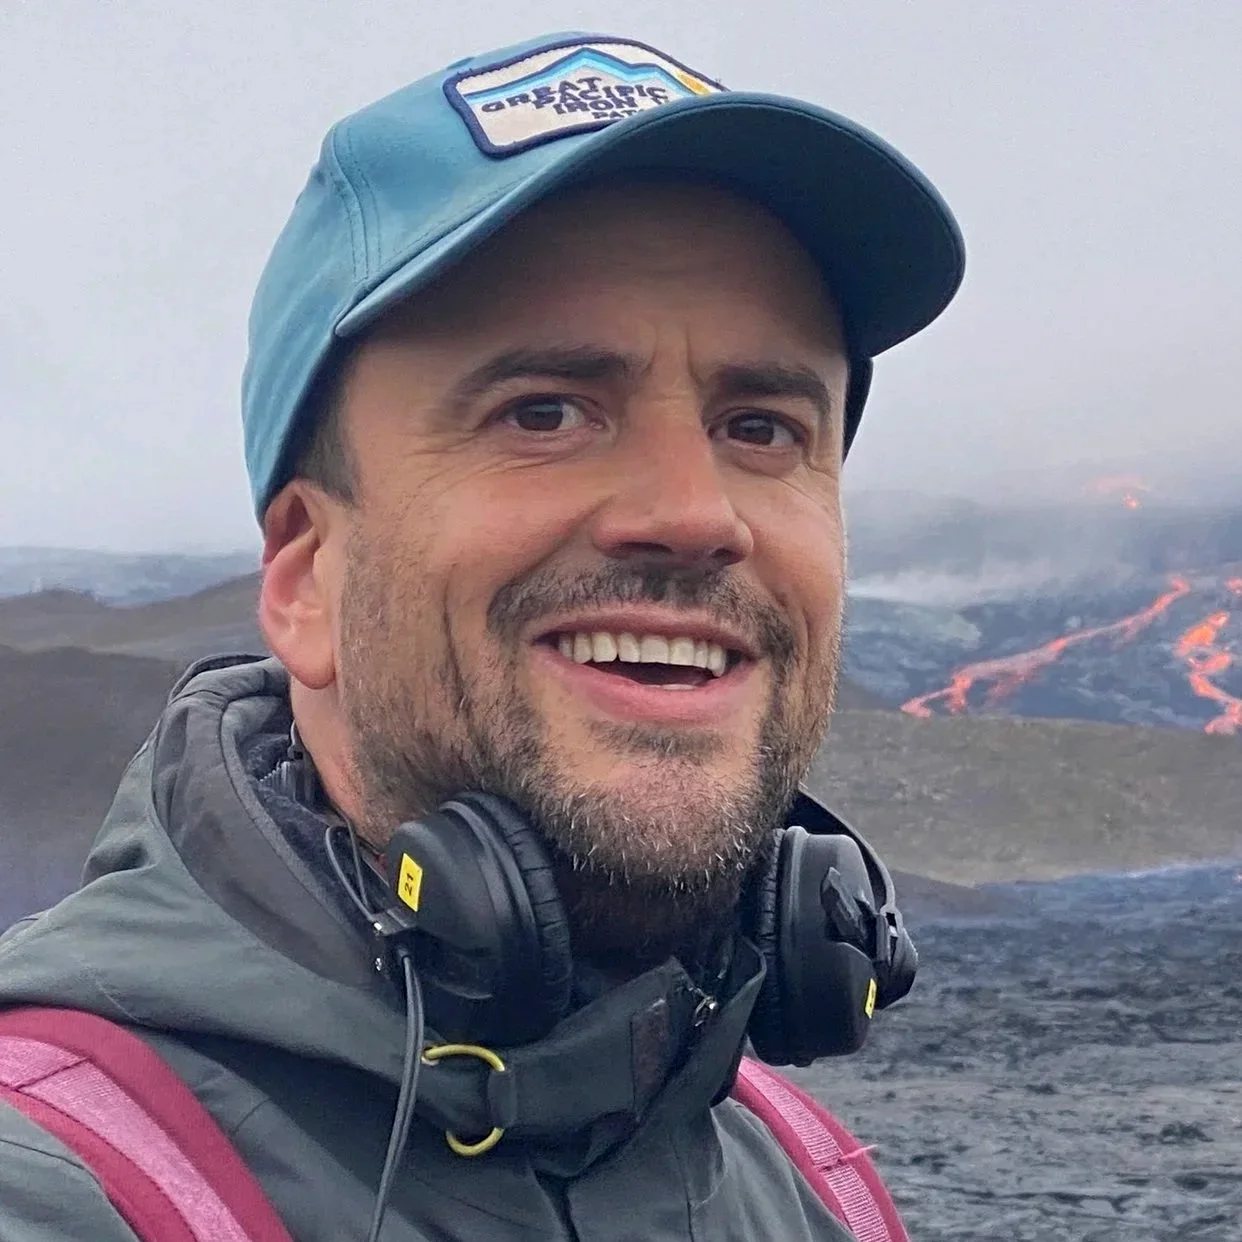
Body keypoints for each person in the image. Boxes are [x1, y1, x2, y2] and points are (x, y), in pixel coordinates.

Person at [0, 30, 964, 1242]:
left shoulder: (818, 1185)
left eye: (762, 428)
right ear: (305, 580)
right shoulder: (54, 1184)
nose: (694, 515)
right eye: (545, 412)